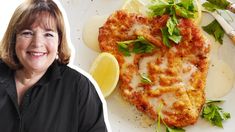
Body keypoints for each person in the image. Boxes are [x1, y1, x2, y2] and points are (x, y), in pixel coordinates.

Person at [0, 0, 109, 131]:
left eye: (48, 34)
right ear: (13, 38)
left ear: (59, 41)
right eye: (27, 33)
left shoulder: (79, 87)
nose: (37, 43)